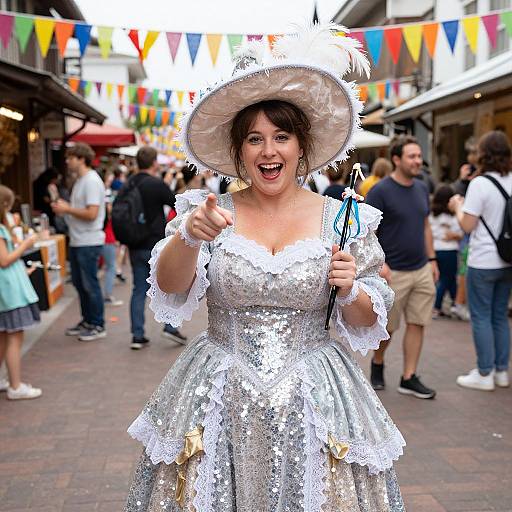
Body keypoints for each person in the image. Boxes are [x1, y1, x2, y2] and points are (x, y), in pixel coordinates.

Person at [125, 24, 405, 511]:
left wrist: (351, 292)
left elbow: (369, 320)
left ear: (303, 147)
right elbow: (169, 292)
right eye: (254, 139)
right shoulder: (208, 209)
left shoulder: (343, 219)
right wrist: (190, 237)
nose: (268, 150)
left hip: (315, 402)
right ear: (239, 152)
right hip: (219, 396)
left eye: (281, 136)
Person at [366, 135, 438, 399]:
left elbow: (426, 225)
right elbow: (366, 232)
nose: (418, 161)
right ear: (397, 159)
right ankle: (378, 362)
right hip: (392, 272)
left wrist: (432, 259)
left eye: (419, 156)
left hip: (421, 269)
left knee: (418, 323)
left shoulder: (421, 188)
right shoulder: (381, 191)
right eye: (412, 156)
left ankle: (409, 377)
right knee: (389, 328)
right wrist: (379, 265)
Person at [449, 130, 512, 391]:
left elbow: (468, 224)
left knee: (482, 317)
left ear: (483, 155)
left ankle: (484, 373)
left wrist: (456, 207)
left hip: (484, 260)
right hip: (507, 259)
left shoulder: (480, 184)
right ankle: (501, 371)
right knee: (500, 316)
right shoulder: (511, 180)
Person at [124, 146, 187, 350]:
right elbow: (176, 204)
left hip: (134, 243)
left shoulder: (129, 183)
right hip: (154, 243)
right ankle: (169, 326)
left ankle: (137, 334)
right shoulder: (156, 184)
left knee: (138, 290)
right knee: (165, 287)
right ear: (153, 163)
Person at [52, 143, 107, 341]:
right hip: (79, 240)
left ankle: (97, 323)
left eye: (70, 158)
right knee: (80, 283)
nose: (67, 161)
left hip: (88, 240)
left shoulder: (91, 181)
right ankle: (88, 320)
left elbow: (92, 213)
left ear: (81, 159)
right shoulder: (82, 180)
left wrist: (66, 209)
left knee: (89, 283)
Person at [0, 185, 42, 400]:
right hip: (9, 292)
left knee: (4, 336)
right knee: (14, 336)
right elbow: (5, 260)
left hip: (7, 288)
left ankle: (4, 380)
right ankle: (15, 386)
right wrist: (26, 243)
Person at [429, 185, 463, 318]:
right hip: (450, 250)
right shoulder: (453, 216)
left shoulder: (432, 215)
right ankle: (437, 307)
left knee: (447, 279)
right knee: (446, 279)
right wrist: (455, 236)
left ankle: (455, 303)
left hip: (436, 249)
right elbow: (460, 233)